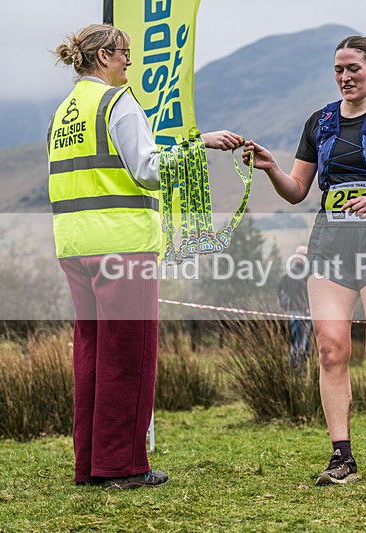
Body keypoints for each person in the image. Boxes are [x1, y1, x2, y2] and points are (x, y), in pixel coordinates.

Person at [49, 23, 242, 490]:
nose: (129, 61)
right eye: (123, 53)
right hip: (122, 245)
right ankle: (123, 468)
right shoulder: (118, 103)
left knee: (93, 355)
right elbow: (148, 170)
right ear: (102, 57)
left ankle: (91, 465)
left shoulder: (65, 111)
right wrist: (200, 145)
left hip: (75, 245)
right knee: (129, 356)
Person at [243, 35, 366, 485]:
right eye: (338, 70)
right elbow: (297, 192)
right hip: (329, 244)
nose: (345, 77)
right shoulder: (320, 121)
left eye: (354, 69)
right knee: (330, 351)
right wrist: (271, 169)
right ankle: (341, 457)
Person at [278, 245, 313, 371]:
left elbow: (281, 292)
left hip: (299, 312)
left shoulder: (296, 274)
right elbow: (295, 294)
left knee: (300, 341)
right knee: (300, 342)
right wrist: (306, 308)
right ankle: (298, 371)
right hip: (301, 313)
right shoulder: (298, 274)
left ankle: (299, 369)